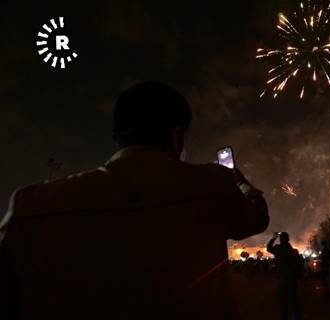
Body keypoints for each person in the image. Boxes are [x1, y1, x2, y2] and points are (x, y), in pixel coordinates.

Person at [0, 82, 269, 320]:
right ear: (176, 137)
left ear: (118, 136)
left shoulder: (30, 207)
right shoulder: (213, 183)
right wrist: (239, 181)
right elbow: (258, 218)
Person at [267, 232, 301, 320]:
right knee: (294, 300)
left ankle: (285, 317)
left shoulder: (277, 249)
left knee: (283, 301)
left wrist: (274, 238)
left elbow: (268, 248)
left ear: (280, 240)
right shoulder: (293, 251)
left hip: (281, 278)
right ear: (288, 239)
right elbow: (298, 264)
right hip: (291, 278)